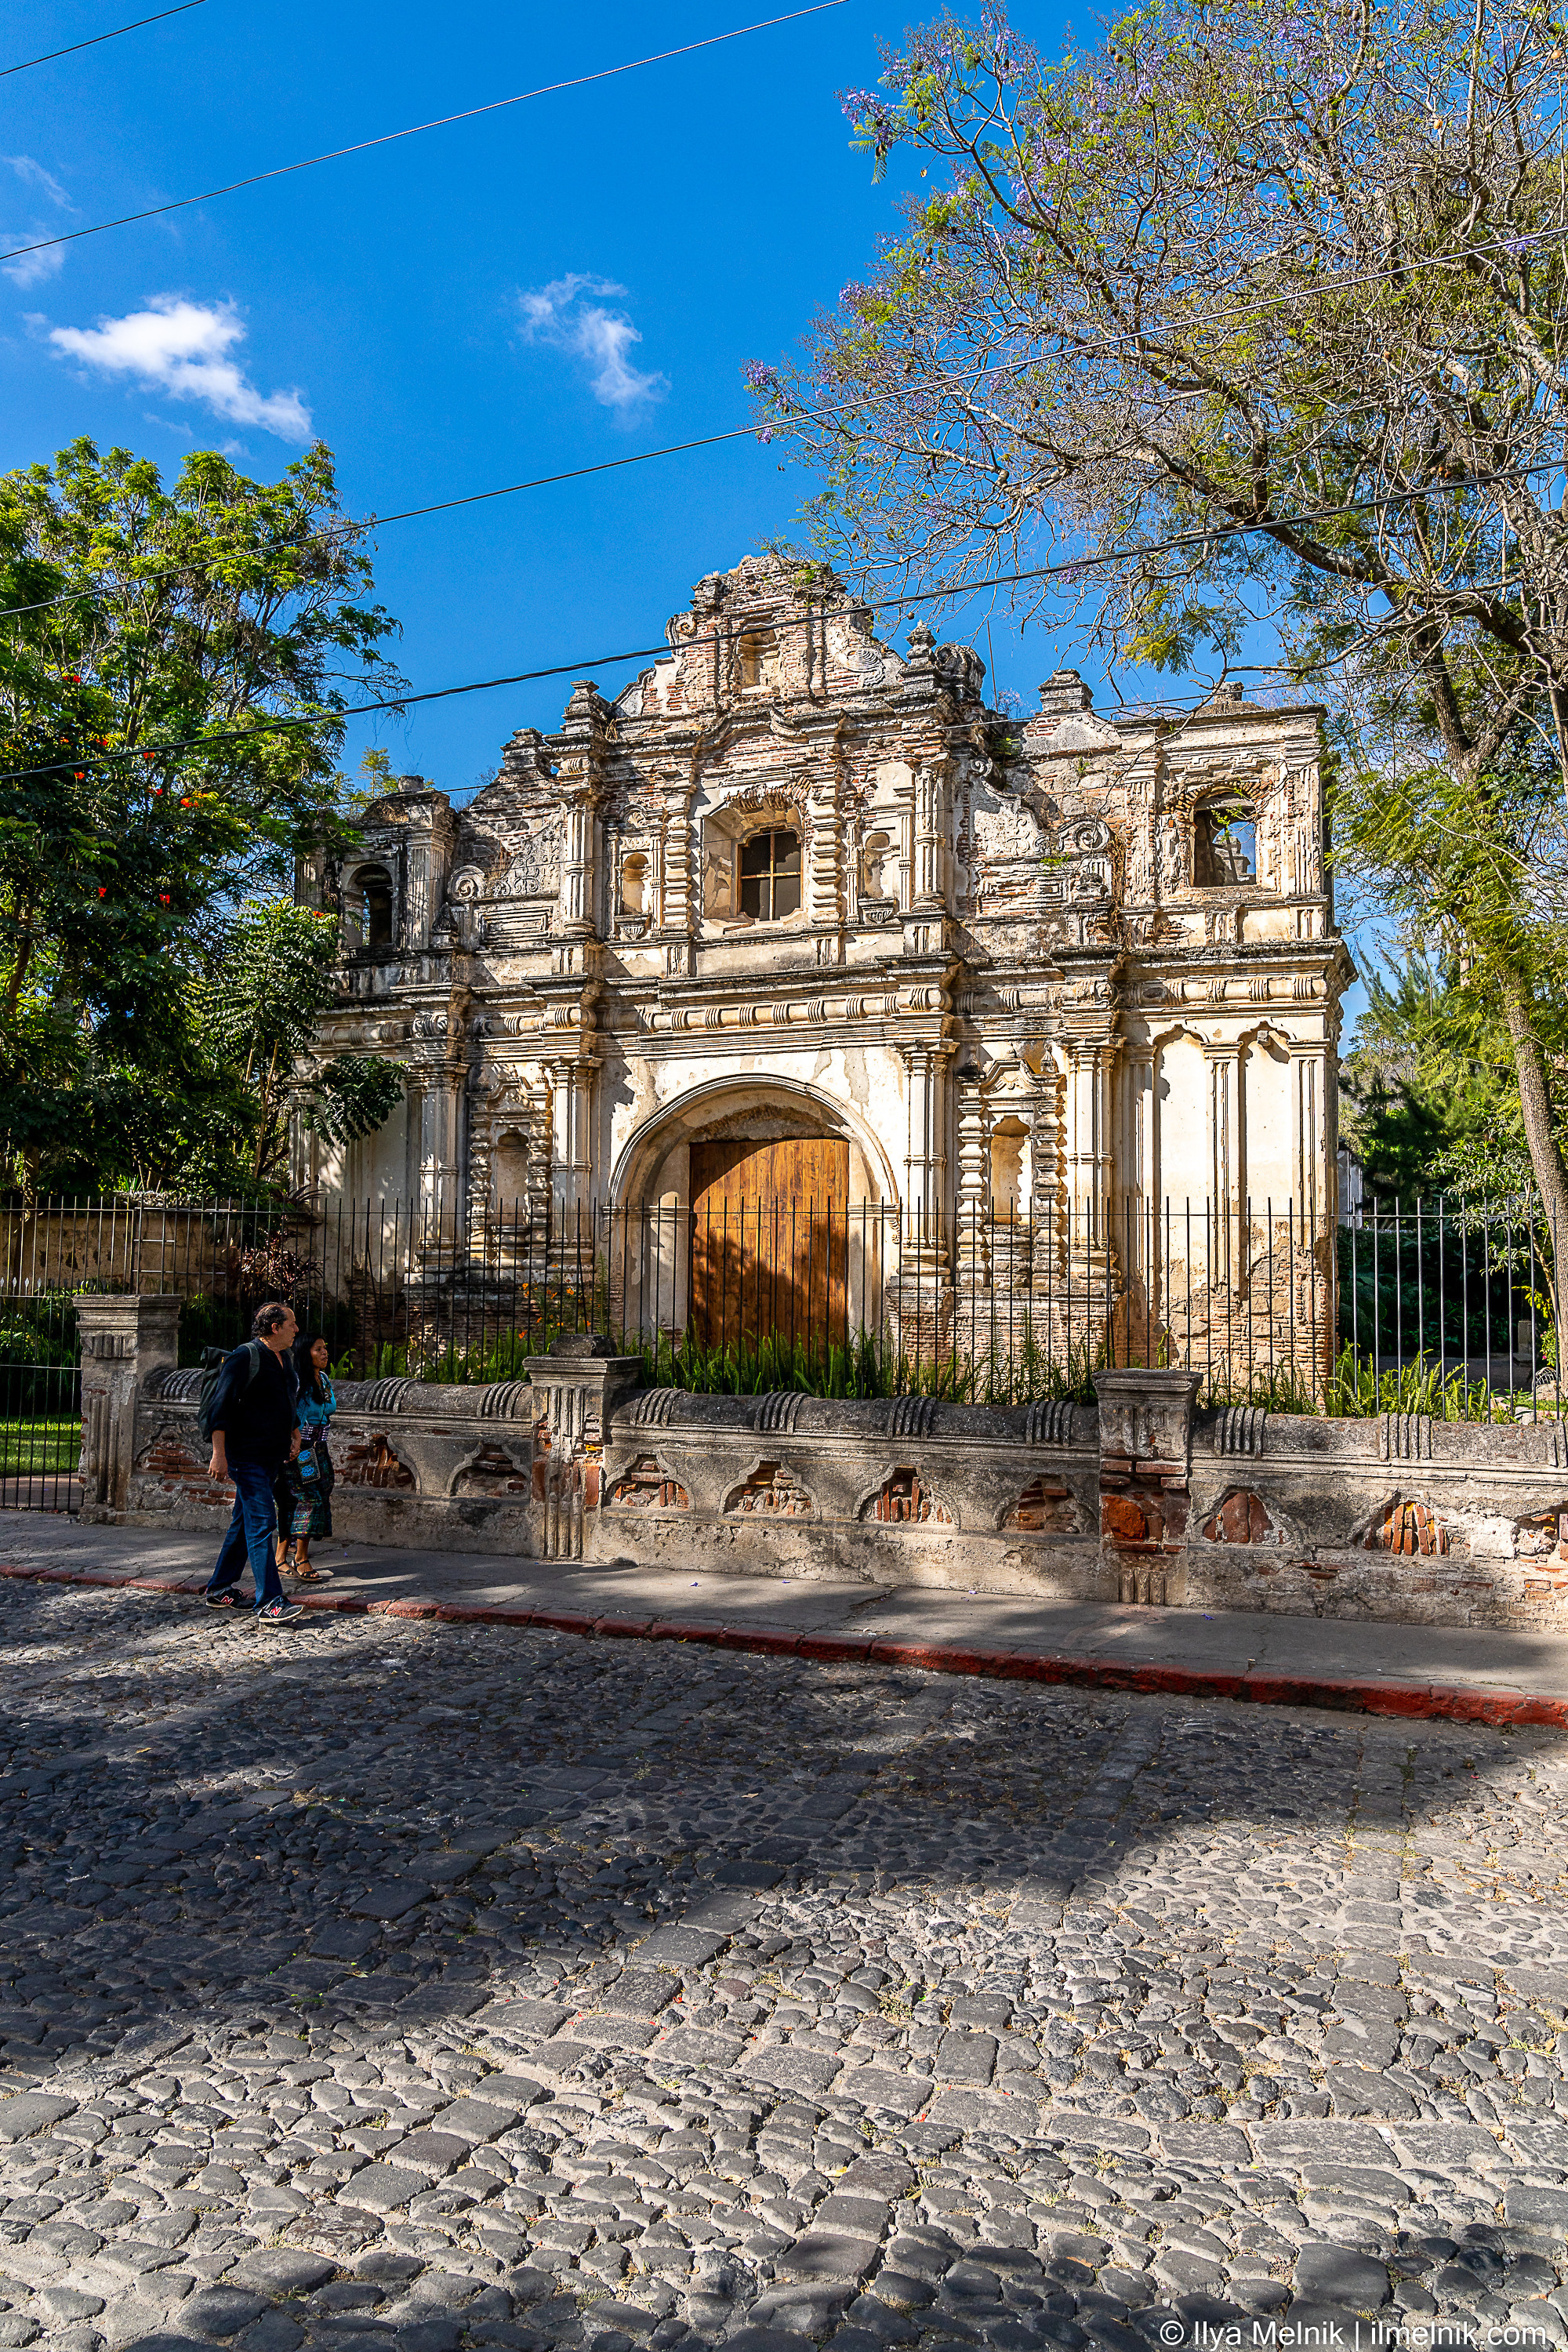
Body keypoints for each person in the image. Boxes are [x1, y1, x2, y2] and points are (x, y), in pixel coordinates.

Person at [203, 1301, 307, 1626]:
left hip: (272, 1454)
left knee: (243, 1523)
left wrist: (294, 1434)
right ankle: (270, 1601)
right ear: (275, 1327)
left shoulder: (284, 1358)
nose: (296, 1329)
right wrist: (219, 1454)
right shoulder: (243, 1357)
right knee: (262, 1522)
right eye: (291, 1323)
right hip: (246, 1456)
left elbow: (287, 1400)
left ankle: (220, 1587)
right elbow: (220, 1410)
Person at [275, 1330, 337, 1585]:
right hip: (300, 1450)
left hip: (320, 1449)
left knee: (310, 1499)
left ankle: (280, 1558)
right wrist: (293, 1446)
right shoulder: (297, 1382)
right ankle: (300, 1558)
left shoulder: (322, 1378)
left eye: (324, 1348)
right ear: (305, 1353)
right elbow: (290, 1416)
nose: (324, 1353)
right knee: (307, 1501)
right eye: (318, 1349)